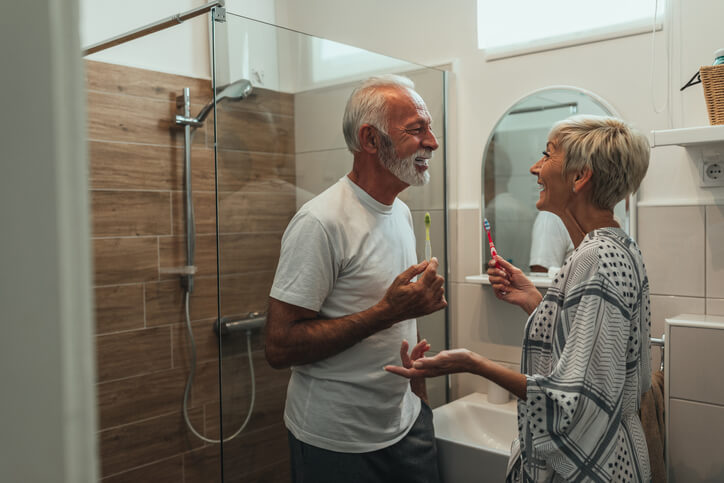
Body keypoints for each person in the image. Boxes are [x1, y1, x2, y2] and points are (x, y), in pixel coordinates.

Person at [386, 115, 652, 482]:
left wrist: (472, 362)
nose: (535, 167)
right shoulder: (611, 247)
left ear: (580, 177)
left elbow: (569, 399)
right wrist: (534, 300)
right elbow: (586, 347)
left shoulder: (596, 258)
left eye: (547, 155)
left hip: (590, 467)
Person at [265, 74, 447, 483]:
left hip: (406, 425)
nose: (432, 142)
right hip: (336, 440)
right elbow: (279, 346)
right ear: (370, 139)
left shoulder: (399, 211)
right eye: (417, 130)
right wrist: (385, 312)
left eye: (430, 128)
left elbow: (398, 322)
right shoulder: (320, 221)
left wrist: (419, 399)